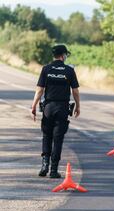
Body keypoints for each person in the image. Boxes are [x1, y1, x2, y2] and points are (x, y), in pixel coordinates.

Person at [31, 44, 80, 178]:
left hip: (48, 108)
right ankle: (53, 170)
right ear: (63, 55)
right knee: (58, 139)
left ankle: (44, 165)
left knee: (47, 136)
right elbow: (75, 91)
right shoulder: (69, 70)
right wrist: (78, 106)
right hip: (62, 108)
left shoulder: (46, 69)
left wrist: (34, 105)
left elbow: (40, 90)